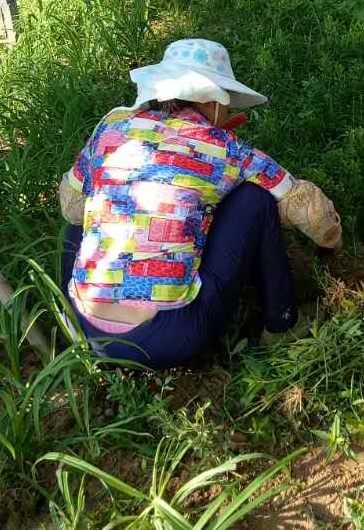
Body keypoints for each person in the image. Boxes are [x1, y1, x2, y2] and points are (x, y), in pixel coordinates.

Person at [57, 38, 342, 367]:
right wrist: (332, 239)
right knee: (255, 200)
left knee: (75, 230)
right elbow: (307, 207)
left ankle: (74, 330)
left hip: (90, 334)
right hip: (167, 337)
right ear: (214, 101)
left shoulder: (112, 128)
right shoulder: (224, 148)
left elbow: (71, 206)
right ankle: (283, 325)